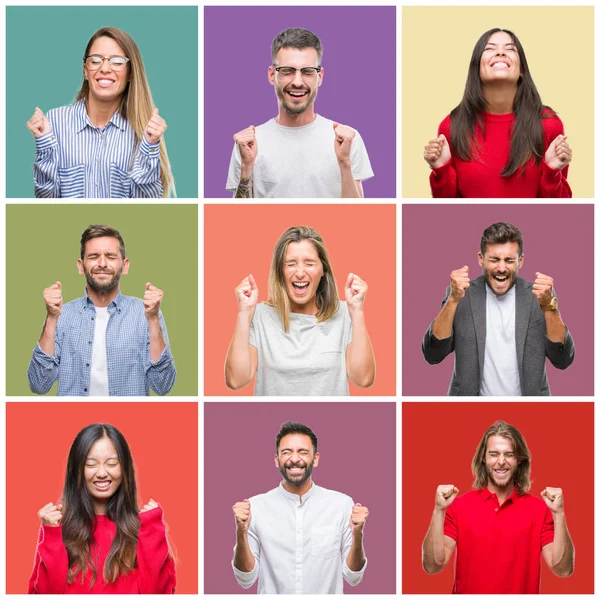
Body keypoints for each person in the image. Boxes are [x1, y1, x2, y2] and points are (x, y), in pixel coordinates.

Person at [422, 420, 574, 594]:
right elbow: (432, 566)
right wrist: (438, 511)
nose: (501, 461)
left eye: (509, 454)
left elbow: (563, 569)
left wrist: (559, 514)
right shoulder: (459, 506)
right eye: (494, 454)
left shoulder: (540, 509)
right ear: (483, 459)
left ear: (519, 460)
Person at [422, 222, 574, 395]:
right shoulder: (461, 294)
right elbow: (433, 355)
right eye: (494, 260)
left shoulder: (539, 296)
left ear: (520, 261)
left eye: (509, 260)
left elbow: (563, 360)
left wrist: (549, 307)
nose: (501, 268)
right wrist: (453, 300)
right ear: (481, 258)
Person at [26, 26, 175, 198]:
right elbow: (46, 200)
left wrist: (149, 146)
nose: (104, 68)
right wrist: (44, 142)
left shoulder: (144, 129)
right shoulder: (54, 122)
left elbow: (146, 206)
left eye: (117, 61)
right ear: (85, 70)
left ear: (130, 73)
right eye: (96, 60)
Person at [27, 224, 176, 396]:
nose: (102, 263)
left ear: (125, 265)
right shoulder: (62, 314)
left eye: (111, 256)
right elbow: (39, 385)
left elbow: (163, 386)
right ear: (81, 265)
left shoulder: (146, 313)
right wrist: (52, 318)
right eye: (93, 256)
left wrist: (153, 320)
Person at [225, 225, 375, 395]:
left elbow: (363, 379)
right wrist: (244, 314)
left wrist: (357, 312)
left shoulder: (345, 313)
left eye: (309, 263)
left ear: (323, 270)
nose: (300, 273)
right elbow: (236, 381)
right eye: (290, 264)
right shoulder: (259, 316)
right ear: (280, 271)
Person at [423, 28, 572, 198]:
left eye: (510, 49)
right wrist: (440, 170)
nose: (500, 52)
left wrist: (553, 172)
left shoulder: (548, 124)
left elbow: (560, 210)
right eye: (489, 49)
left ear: (522, 69)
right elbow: (447, 211)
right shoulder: (452, 126)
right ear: (477, 68)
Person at [226, 28, 374, 198]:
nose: (297, 82)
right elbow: (239, 219)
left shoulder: (346, 140)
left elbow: (357, 217)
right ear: (272, 75)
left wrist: (344, 163)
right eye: (287, 71)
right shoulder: (249, 144)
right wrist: (246, 167)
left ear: (320, 77)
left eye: (307, 71)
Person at [28, 423, 176, 593]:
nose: (101, 473)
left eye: (112, 463)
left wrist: (152, 532)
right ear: (76, 470)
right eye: (91, 464)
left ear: (125, 468)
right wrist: (52, 535)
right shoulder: (57, 529)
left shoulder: (146, 529)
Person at [232, 421, 369, 594]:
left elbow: (353, 577)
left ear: (316, 458)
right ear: (277, 460)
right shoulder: (255, 507)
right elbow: (246, 579)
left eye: (303, 452)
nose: (295, 459)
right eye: (286, 452)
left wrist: (358, 534)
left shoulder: (341, 504)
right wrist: (240, 531)